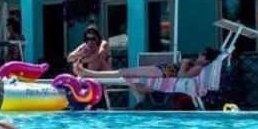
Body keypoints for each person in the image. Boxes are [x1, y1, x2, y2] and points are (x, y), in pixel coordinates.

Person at [74, 47, 220, 80]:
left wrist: (184, 64)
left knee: (123, 72)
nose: (199, 55)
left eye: (203, 54)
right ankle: (88, 73)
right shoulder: (195, 64)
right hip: (160, 70)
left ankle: (88, 73)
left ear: (207, 59)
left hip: (161, 73)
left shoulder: (198, 67)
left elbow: (182, 77)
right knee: (124, 72)